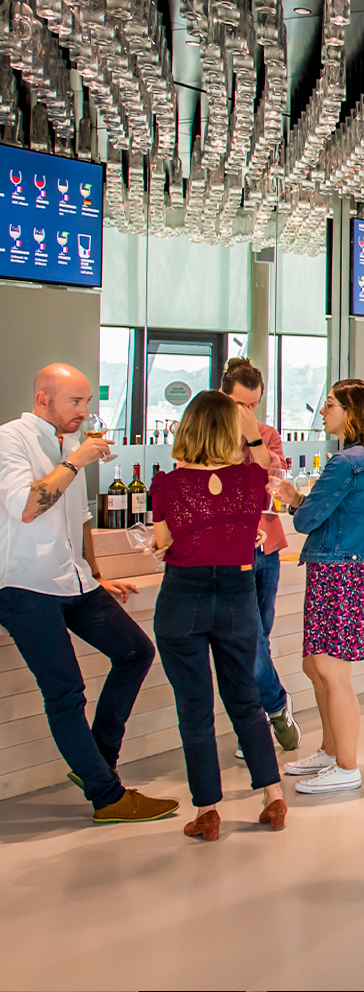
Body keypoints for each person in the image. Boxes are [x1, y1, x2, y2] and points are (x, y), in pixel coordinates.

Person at [0, 364, 179, 824]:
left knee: (136, 651)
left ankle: (95, 762)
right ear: (43, 399)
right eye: (75, 403)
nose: (86, 412)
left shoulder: (67, 446)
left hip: (73, 579)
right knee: (65, 692)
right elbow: (27, 505)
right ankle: (107, 796)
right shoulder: (11, 440)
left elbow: (78, 520)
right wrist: (78, 460)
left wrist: (95, 574)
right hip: (23, 586)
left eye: (87, 403)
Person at [150, 391, 287, 840]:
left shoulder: (166, 485)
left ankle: (208, 810)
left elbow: (161, 543)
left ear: (185, 431)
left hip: (182, 597)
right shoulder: (250, 480)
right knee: (245, 699)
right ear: (232, 432)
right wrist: (251, 433)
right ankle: (273, 797)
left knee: (195, 709)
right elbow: (271, 466)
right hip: (237, 593)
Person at [268, 380, 364, 795]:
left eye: (331, 404)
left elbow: (305, 522)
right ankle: (330, 747)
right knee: (316, 665)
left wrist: (291, 501)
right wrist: (298, 498)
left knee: (332, 669)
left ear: (351, 412)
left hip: (336, 572)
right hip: (349, 570)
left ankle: (347, 765)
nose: (324, 411)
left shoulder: (344, 462)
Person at [220, 357, 301, 757]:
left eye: (254, 404)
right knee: (245, 638)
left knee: (258, 638)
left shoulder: (267, 435)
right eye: (240, 404)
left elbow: (271, 483)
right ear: (223, 397)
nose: (247, 412)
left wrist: (252, 438)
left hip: (264, 548)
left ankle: (249, 728)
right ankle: (273, 706)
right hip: (224, 552)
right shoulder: (206, 433)